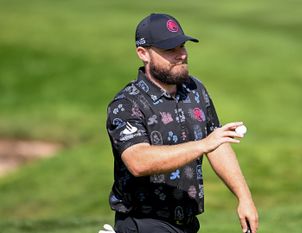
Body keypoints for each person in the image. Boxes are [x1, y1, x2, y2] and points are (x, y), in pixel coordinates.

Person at [106, 13, 258, 233]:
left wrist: (244, 198)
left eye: (182, 46)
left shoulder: (195, 90)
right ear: (143, 53)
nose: (181, 55)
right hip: (144, 222)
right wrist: (202, 144)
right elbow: (137, 161)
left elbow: (217, 144)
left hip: (187, 222)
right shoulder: (127, 103)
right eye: (170, 50)